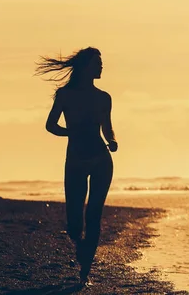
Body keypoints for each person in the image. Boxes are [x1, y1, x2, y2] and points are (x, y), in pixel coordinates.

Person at [35, 47, 118, 285]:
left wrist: (112, 140)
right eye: (97, 63)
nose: (101, 67)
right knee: (74, 222)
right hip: (76, 161)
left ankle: (84, 273)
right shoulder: (65, 95)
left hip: (102, 159)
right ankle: (80, 247)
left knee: (94, 214)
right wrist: (70, 132)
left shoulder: (104, 97)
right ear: (85, 67)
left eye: (101, 63)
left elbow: (107, 126)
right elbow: (50, 125)